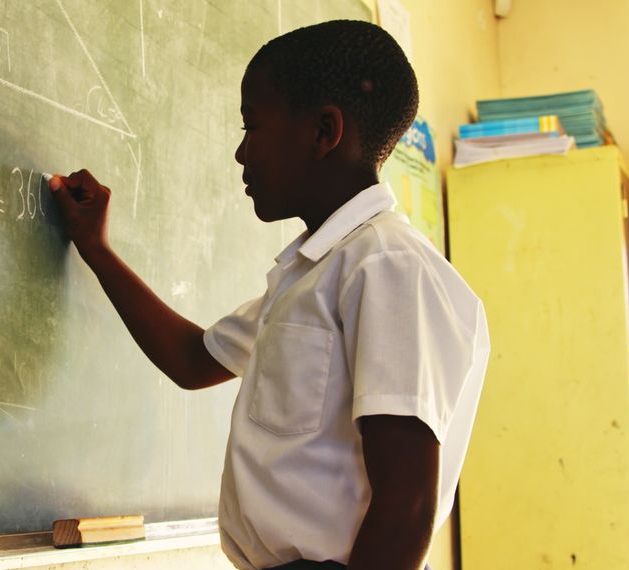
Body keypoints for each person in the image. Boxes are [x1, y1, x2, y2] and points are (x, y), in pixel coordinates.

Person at [47, 20, 488, 570]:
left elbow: (407, 504)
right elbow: (191, 359)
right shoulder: (312, 274)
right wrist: (97, 249)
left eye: (252, 126)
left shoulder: (387, 268)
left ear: (324, 131)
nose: (240, 153)